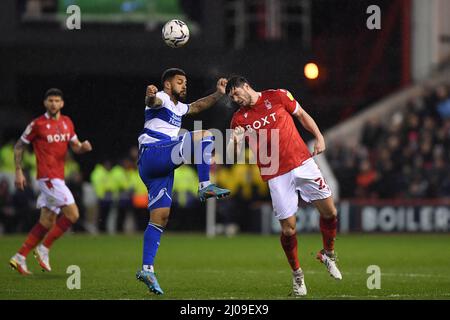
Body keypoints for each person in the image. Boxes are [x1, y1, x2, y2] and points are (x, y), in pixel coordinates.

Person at [225, 76, 342, 296]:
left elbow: (302, 115)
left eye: (237, 94)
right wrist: (236, 140)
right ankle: (298, 276)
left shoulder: (277, 95)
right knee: (288, 229)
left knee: (330, 212)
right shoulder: (239, 119)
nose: (236, 99)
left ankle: (328, 253)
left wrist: (318, 137)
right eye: (232, 98)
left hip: (303, 163)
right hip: (276, 175)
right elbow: (232, 154)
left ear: (246, 86)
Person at [136, 68, 230, 295]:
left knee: (160, 217)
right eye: (180, 82)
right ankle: (204, 185)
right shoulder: (162, 98)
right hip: (154, 153)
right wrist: (149, 95)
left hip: (157, 167)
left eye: (185, 82)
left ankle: (147, 269)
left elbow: (197, 106)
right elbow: (152, 100)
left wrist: (218, 94)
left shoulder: (178, 107)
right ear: (167, 85)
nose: (184, 85)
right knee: (206, 134)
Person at [9, 88, 92, 275]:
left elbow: (75, 147)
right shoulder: (37, 124)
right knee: (73, 215)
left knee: (46, 221)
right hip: (48, 178)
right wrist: (18, 171)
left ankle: (20, 257)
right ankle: (44, 248)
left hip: (58, 177)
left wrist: (83, 148)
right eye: (50, 100)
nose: (53, 103)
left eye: (57, 100)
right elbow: (19, 146)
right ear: (45, 103)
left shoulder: (67, 122)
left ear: (62, 103)